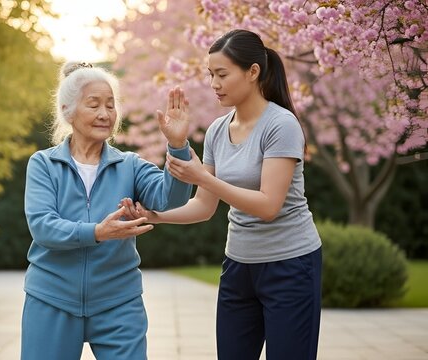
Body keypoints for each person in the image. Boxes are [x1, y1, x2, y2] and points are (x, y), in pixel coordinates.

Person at [120, 29, 322, 360]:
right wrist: (154, 215)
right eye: (210, 74)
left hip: (291, 265)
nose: (214, 83)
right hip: (238, 267)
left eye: (222, 74)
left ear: (253, 72)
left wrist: (203, 177)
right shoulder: (216, 130)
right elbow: (203, 206)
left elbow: (268, 206)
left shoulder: (280, 125)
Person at [21, 61, 193, 360]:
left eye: (111, 105)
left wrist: (177, 146)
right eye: (94, 105)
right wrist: (98, 232)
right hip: (51, 299)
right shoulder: (43, 164)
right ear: (67, 111)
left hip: (119, 302)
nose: (105, 114)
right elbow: (43, 226)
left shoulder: (130, 165)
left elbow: (171, 198)